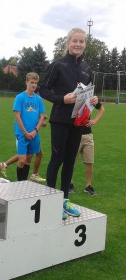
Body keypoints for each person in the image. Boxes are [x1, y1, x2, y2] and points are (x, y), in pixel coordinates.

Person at [39, 28, 99, 220]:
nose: (78, 45)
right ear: (68, 42)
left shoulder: (87, 69)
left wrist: (93, 100)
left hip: (78, 123)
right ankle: (50, 200)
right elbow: (43, 90)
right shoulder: (57, 65)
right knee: (57, 159)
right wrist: (61, 99)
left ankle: (64, 200)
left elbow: (87, 93)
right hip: (60, 120)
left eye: (82, 42)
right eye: (75, 41)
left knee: (69, 161)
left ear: (85, 45)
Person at [13, 72, 45, 181]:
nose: (34, 85)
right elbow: (17, 116)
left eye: (36, 83)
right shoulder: (20, 97)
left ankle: (24, 184)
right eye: (32, 82)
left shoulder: (38, 99)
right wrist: (25, 133)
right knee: (22, 160)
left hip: (34, 134)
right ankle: (20, 183)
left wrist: (35, 131)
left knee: (29, 159)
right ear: (26, 82)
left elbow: (42, 117)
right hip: (22, 133)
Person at [0, 115, 47, 183]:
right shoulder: (27, 112)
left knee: (36, 155)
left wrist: (41, 119)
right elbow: (42, 124)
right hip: (24, 136)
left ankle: (33, 175)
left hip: (31, 136)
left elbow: (43, 124)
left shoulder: (33, 111)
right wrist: (41, 119)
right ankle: (4, 165)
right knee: (25, 157)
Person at [69, 103, 105, 195]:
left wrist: (95, 120)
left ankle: (88, 186)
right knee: (71, 162)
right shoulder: (74, 96)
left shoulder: (91, 99)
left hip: (88, 135)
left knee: (89, 162)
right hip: (74, 134)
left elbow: (102, 109)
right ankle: (69, 183)